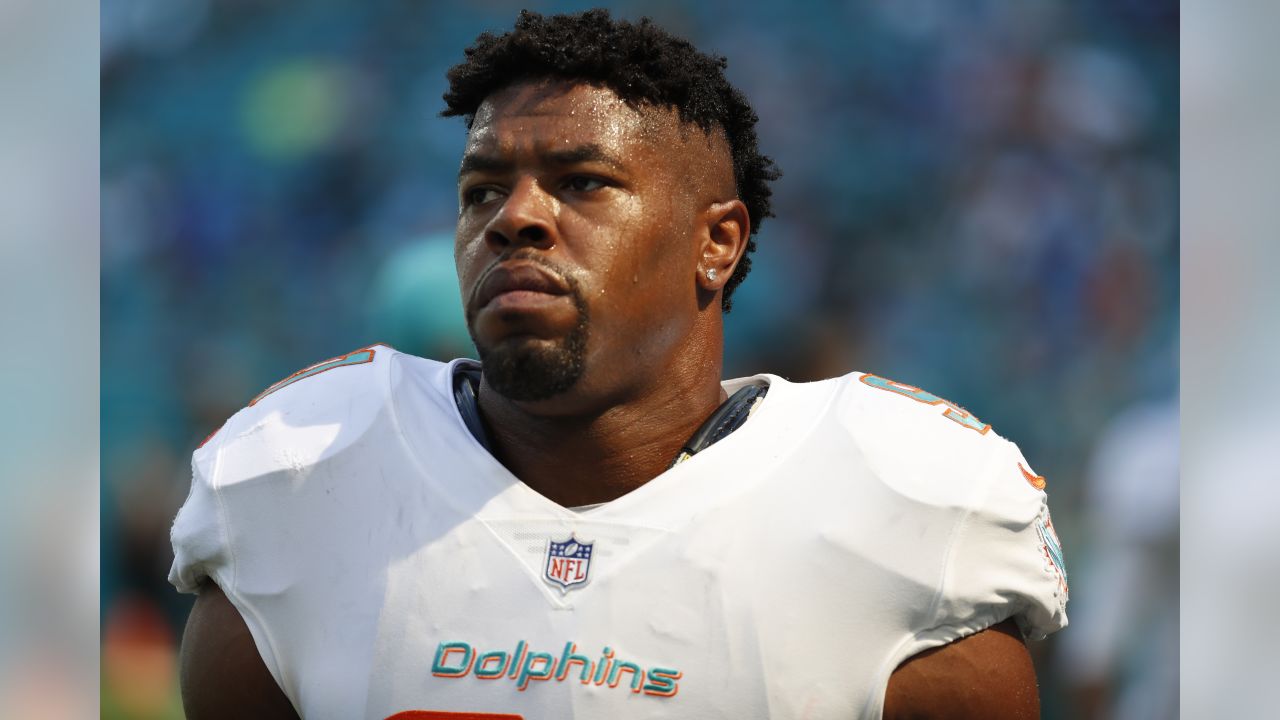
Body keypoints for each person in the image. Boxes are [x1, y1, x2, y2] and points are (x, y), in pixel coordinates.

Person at [170, 10, 1067, 719]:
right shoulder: (300, 481)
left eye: (581, 182)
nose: (514, 218)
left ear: (716, 243)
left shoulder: (902, 512)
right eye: (482, 189)